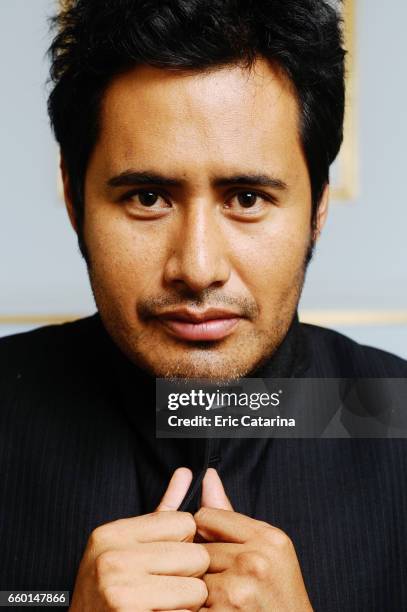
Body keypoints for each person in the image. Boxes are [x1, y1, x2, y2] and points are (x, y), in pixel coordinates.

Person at [0, 0, 406, 610]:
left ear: (318, 205)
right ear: (72, 197)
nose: (197, 268)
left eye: (246, 197)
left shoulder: (396, 419)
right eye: (147, 196)